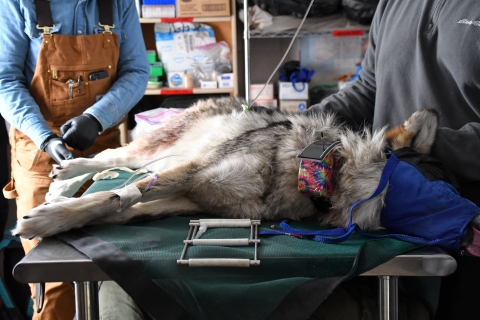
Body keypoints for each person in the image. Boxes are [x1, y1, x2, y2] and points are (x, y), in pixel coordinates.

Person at [307, 0, 480, 319]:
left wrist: (424, 146)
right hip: (387, 217)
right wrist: (301, 124)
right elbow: (368, 89)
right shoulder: (394, 3)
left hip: (467, 223)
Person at [0, 0, 150, 319]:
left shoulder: (119, 4)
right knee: (54, 283)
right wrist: (45, 137)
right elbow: (4, 80)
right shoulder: (18, 4)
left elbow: (137, 71)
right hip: (40, 155)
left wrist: (97, 118)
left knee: (110, 273)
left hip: (102, 153)